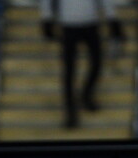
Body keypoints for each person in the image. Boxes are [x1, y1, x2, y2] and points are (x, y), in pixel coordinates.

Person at [41, 0, 125, 128]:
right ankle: (70, 113)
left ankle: (86, 94)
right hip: (68, 25)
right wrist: (46, 18)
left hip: (91, 23)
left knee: (97, 63)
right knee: (69, 71)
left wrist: (112, 19)